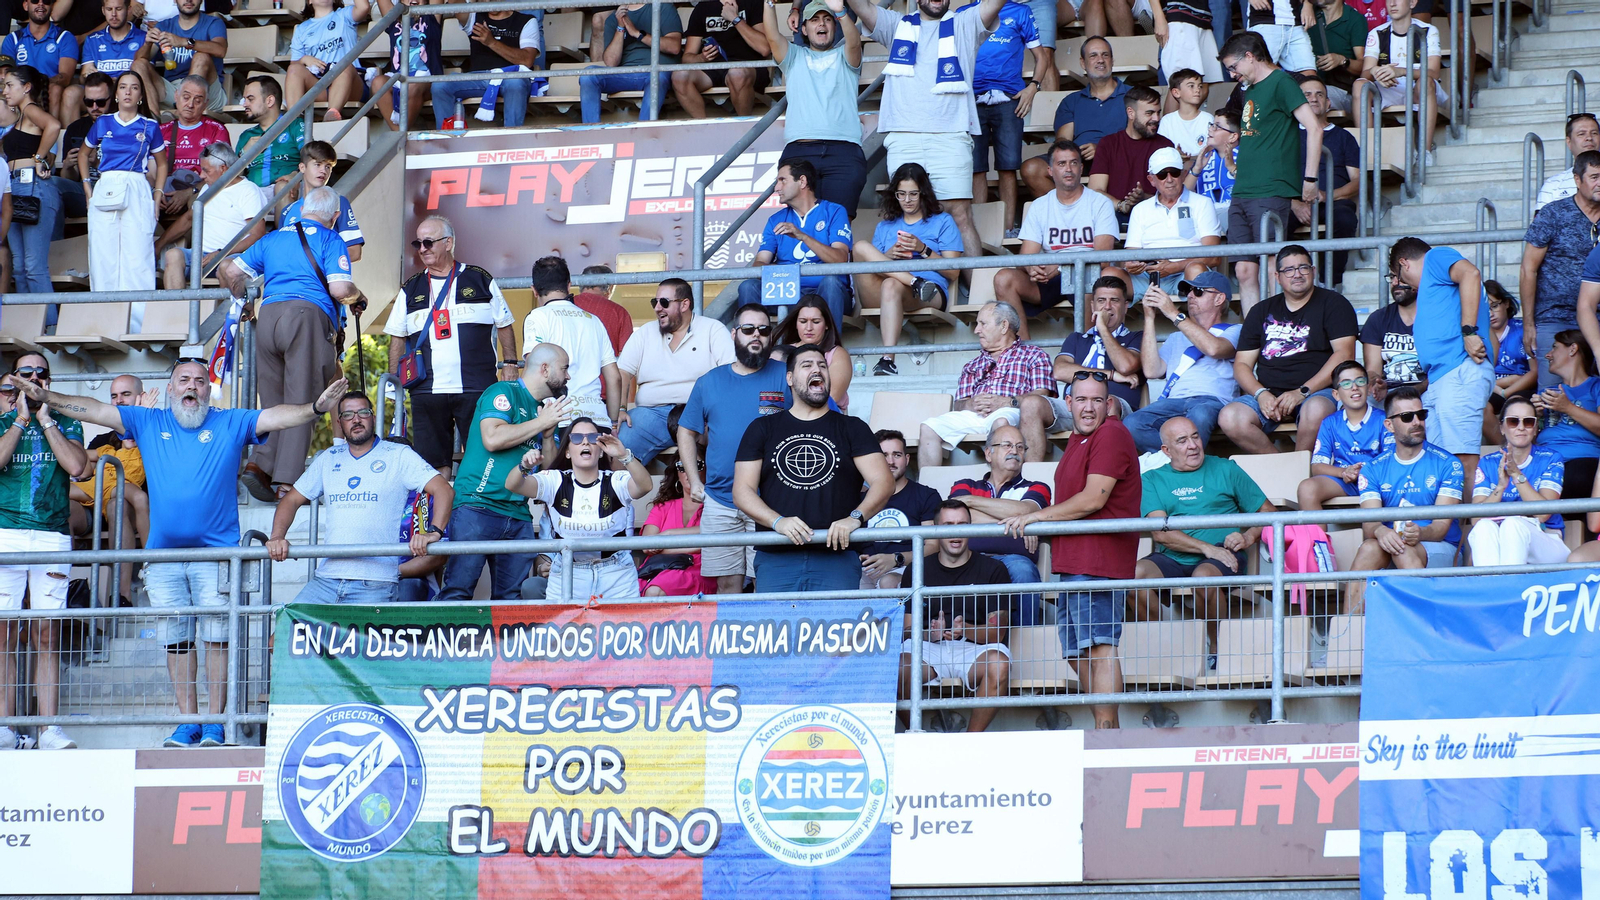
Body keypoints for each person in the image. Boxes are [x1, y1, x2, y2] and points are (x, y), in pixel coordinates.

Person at [19, 361, 347, 748]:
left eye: (200, 381)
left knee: (217, 639)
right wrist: (46, 396)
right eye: (184, 380)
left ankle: (215, 723)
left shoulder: (230, 421)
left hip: (217, 556)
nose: (192, 387)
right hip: (163, 558)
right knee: (176, 641)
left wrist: (315, 408)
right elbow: (94, 409)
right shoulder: (147, 420)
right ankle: (187, 721)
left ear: (209, 389)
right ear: (171, 388)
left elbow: (276, 417)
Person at [999, 372, 1139, 729]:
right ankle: (1108, 730)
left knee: (1101, 649)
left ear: (1109, 404)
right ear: (1068, 404)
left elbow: (1094, 499)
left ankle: (1107, 734)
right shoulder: (1078, 439)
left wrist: (1037, 518)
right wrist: (1044, 528)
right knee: (1078, 653)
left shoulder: (1111, 434)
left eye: (1097, 400)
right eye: (1081, 400)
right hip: (1074, 562)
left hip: (1099, 562)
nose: (1088, 408)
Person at [220, 187, 369, 499]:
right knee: (303, 400)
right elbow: (340, 290)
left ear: (302, 210)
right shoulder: (330, 238)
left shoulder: (272, 239)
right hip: (306, 317)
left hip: (269, 317)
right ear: (336, 215)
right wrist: (358, 296)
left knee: (272, 400)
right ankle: (288, 483)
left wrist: (244, 302)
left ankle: (259, 465)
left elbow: (230, 270)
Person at [847, 0, 1003, 264]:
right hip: (904, 137)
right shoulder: (896, 25)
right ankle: (915, 283)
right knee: (908, 213)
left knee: (960, 213)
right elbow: (862, 7)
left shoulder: (964, 23)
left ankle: (975, 287)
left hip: (950, 135)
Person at [734, 344, 893, 591]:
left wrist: (855, 518)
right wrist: (777, 522)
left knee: (837, 619)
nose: (816, 370)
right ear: (789, 378)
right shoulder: (762, 428)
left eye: (822, 366)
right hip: (777, 558)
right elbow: (742, 490)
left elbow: (884, 482)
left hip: (837, 558)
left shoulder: (852, 427)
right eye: (806, 365)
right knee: (778, 619)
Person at [267, 391, 452, 602]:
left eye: (363, 412)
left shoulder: (398, 454)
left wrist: (434, 532)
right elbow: (290, 499)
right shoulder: (328, 458)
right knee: (285, 624)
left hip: (375, 582)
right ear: (339, 423)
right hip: (326, 580)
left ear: (373, 417)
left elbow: (444, 490)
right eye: (348, 415)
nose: (356, 419)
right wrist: (277, 536)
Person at [439, 343, 577, 602]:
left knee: (511, 601)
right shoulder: (503, 391)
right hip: (477, 505)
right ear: (545, 369)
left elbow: (548, 474)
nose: (568, 376)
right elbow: (492, 438)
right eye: (564, 368)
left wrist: (548, 435)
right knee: (458, 591)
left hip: (518, 514)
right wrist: (540, 422)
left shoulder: (545, 410)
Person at [384, 214, 518, 475]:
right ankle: (440, 503)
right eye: (418, 243)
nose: (422, 249)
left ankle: (475, 501)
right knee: (433, 467)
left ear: (448, 243)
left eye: (429, 242)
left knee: (485, 458)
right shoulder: (411, 288)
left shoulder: (480, 279)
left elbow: (504, 324)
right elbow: (397, 337)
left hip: (476, 387)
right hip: (426, 390)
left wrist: (510, 363)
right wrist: (394, 380)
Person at [1135, 416, 1274, 665]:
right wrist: (1206, 548)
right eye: (1182, 441)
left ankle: (1216, 651)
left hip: (1223, 555)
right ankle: (1159, 648)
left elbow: (1269, 513)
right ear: (1166, 451)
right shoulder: (1152, 479)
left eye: (1195, 436)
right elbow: (1160, 533)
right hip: (1175, 556)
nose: (1192, 445)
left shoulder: (1226, 468)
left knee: (1203, 577)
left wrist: (1247, 536)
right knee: (1135, 575)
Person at [0, 355, 87, 752]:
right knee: (3, 634)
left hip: (52, 535)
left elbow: (77, 467)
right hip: (6, 535)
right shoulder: (3, 421)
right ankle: (5, 726)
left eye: (42, 373)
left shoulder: (66, 421)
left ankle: (49, 728)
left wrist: (46, 417)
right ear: (15, 379)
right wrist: (21, 419)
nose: (35, 378)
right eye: (27, 373)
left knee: (47, 634)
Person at [679, 303, 792, 594]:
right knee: (727, 585)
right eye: (748, 329)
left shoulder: (788, 376)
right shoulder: (710, 381)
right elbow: (686, 431)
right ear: (734, 334)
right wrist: (694, 481)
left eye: (763, 330)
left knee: (767, 584)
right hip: (720, 500)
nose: (756, 335)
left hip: (771, 500)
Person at [1218, 31, 1323, 313]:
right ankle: (1256, 330)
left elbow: (1314, 128)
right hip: (1242, 189)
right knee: (1243, 271)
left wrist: (1310, 179)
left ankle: (1277, 325)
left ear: (1249, 56)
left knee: (1270, 267)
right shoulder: (1249, 88)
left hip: (1270, 188)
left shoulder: (1281, 82)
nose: (1232, 74)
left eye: (1234, 67)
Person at [1219, 245, 1358, 453]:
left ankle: (1300, 467)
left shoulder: (1334, 303)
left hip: (1316, 392)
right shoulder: (1260, 311)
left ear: (1313, 271)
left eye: (1303, 268)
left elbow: (1345, 355)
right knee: (1230, 417)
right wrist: (1261, 394)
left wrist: (1303, 391)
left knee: (1316, 410)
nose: (1297, 274)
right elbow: (1241, 365)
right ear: (1277, 276)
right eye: (1289, 270)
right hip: (1269, 394)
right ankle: (1282, 465)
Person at [506, 418, 654, 602]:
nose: (585, 442)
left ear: (601, 451)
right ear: (567, 452)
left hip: (616, 574)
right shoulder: (554, 481)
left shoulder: (616, 481)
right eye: (577, 438)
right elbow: (513, 485)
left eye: (592, 438)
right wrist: (524, 466)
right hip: (569, 571)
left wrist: (624, 455)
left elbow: (646, 486)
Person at [1344, 386, 1464, 612]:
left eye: (1421, 415)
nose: (1417, 422)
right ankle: (1348, 631)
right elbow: (1370, 524)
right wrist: (1381, 531)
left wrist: (1420, 533)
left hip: (1439, 547)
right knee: (1369, 548)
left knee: (1404, 549)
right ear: (1389, 425)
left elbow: (1440, 528)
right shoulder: (1372, 468)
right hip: (1391, 543)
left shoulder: (1449, 464)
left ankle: (1421, 629)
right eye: (1407, 417)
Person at [899, 500, 1013, 732]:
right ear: (936, 529)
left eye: (962, 525)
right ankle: (917, 738)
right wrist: (931, 634)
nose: (956, 532)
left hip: (974, 649)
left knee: (999, 664)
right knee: (895, 668)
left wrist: (965, 630)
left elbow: (997, 634)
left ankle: (969, 742)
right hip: (928, 648)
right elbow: (907, 631)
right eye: (948, 525)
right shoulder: (917, 568)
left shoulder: (993, 569)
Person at [1390, 236, 1493, 476]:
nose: (1399, 283)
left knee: (1462, 460)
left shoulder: (1434, 258)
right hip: (1441, 378)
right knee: (1441, 465)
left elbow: (1471, 274)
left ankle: (1474, 505)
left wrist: (1469, 332)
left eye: (1397, 276)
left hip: (1457, 370)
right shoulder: (1432, 285)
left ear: (1404, 263)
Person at [995, 139, 1117, 339]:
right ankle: (1022, 351)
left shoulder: (1100, 202)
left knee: (1090, 283)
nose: (1068, 169)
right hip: (1050, 278)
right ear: (1050, 170)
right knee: (1003, 279)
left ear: (1081, 168)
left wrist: (1060, 266)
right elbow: (1026, 255)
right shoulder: (1040, 205)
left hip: (1086, 275)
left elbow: (1102, 258)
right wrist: (1032, 268)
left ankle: (1087, 349)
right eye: (1061, 164)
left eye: (1074, 163)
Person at [854, 163, 963, 375]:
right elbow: (873, 268)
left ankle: (887, 360)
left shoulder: (942, 222)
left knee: (891, 284)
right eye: (901, 194)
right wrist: (889, 255)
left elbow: (953, 272)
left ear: (923, 193)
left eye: (913, 194)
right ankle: (913, 281)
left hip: (929, 291)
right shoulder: (885, 226)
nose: (907, 200)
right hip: (885, 290)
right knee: (860, 247)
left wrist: (923, 249)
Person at [761, 0, 867, 217]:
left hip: (843, 151)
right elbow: (772, 37)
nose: (822, 24)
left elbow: (855, 42)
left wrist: (841, 12)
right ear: (804, 29)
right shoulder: (794, 56)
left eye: (827, 19)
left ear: (835, 27)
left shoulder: (846, 55)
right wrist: (769, 3)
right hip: (800, 150)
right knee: (800, 222)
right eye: (814, 20)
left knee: (839, 222)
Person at [918, 301, 1053, 468]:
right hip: (976, 414)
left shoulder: (1034, 355)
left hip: (1011, 410)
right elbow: (959, 405)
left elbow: (1042, 395)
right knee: (928, 427)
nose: (976, 330)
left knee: (1001, 423)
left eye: (983, 324)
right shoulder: (972, 365)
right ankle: (928, 483)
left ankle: (1001, 481)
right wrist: (970, 403)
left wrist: (1006, 401)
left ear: (1004, 326)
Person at [616, 276, 735, 463]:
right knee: (620, 446)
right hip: (651, 414)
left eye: (664, 302)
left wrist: (716, 410)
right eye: (655, 302)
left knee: (728, 440)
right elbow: (622, 373)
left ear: (684, 304)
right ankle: (621, 483)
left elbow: (730, 373)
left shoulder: (713, 329)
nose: (657, 308)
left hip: (699, 413)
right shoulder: (645, 332)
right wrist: (621, 409)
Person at [1123, 270, 1240, 453]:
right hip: (1174, 401)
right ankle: (1181, 459)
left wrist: (1172, 313)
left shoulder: (1235, 330)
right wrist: (1149, 318)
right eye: (1188, 291)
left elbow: (1214, 349)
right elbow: (1152, 371)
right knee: (1132, 423)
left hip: (1212, 400)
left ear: (1219, 299)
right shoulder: (1175, 337)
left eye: (1199, 292)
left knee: (1199, 415)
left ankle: (1180, 461)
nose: (1191, 296)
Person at [949, 423, 1052, 625]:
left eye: (1020, 447)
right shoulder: (965, 485)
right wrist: (1019, 523)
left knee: (1023, 570)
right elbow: (955, 517)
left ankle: (1025, 641)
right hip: (969, 559)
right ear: (989, 453)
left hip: (1013, 560)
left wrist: (970, 503)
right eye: (1007, 445)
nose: (1015, 451)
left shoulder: (1037, 488)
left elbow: (1025, 510)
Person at [734, 158, 853, 326]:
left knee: (831, 283)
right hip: (787, 292)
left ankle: (830, 343)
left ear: (802, 181)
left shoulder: (834, 211)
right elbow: (759, 264)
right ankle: (752, 341)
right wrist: (784, 270)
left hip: (825, 294)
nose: (777, 188)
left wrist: (802, 236)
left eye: (782, 180)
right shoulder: (775, 220)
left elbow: (840, 259)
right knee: (748, 286)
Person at [70, 373, 149, 605]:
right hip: (93, 506)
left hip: (131, 510)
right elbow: (81, 465)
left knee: (118, 504)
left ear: (141, 397)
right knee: (58, 503)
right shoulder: (104, 442)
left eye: (126, 394)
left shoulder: (155, 435)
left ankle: (122, 595)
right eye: (114, 396)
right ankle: (63, 587)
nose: (119, 400)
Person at [1523, 150, 1600, 389]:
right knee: (1551, 395)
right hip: (1555, 319)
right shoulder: (1553, 213)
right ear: (1577, 180)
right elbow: (1528, 269)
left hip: (1598, 320)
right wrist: (1528, 323)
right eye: (1594, 177)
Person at [83, 71, 166, 292]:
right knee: (103, 253)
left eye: (134, 87)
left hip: (137, 185)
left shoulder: (150, 125)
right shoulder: (103, 122)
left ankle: (137, 313)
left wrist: (157, 195)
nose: (128, 92)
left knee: (138, 253)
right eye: (122, 87)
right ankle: (106, 311)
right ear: (116, 94)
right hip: (106, 185)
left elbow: (162, 164)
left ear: (141, 96)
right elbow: (83, 154)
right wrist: (87, 188)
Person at [968, 0, 1045, 236]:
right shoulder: (964, 13)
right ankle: (979, 233)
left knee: (1008, 167)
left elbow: (1041, 57)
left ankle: (1008, 229)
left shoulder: (1020, 11)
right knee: (976, 169)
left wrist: (1033, 87)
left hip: (1010, 99)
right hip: (972, 99)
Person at [1036, 276, 1143, 444]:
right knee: (1032, 404)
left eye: (1114, 300)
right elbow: (1060, 371)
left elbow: (1126, 366)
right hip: (1074, 406)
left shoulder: (1136, 337)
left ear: (1126, 306)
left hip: (1115, 406)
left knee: (1108, 403)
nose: (1107, 306)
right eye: (1101, 300)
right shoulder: (1076, 338)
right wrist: (1111, 375)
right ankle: (1030, 464)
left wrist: (1102, 328)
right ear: (1093, 306)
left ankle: (1102, 459)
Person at [1021, 37, 1129, 198]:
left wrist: (1103, 150)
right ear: (1083, 63)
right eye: (1093, 55)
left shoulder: (1132, 96)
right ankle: (1074, 207)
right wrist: (1075, 153)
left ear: (1112, 61)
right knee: (1031, 168)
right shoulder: (1072, 101)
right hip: (1081, 160)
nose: (1100, 60)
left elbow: (1140, 139)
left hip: (1120, 160)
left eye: (1105, 55)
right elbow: (1063, 140)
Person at [522, 254, 622, 427]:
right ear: (569, 286)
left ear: (534, 290)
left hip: (556, 419)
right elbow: (614, 377)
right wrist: (612, 422)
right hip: (596, 419)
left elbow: (533, 370)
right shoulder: (594, 321)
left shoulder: (537, 317)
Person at [1467, 395, 1568, 567]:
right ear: (1502, 428)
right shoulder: (1488, 462)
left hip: (1546, 539)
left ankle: (1507, 583)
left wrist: (1516, 475)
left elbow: (1543, 515)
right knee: (1483, 527)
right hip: (1498, 539)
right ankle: (1491, 583)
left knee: (1513, 524)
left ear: (1535, 428)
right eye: (1513, 421)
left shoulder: (1551, 458)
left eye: (1528, 422)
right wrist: (1500, 486)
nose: (1521, 427)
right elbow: (1476, 519)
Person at [158, 141, 264, 290]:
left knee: (226, 266)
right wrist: (158, 245)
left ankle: (228, 306)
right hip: (202, 256)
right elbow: (188, 219)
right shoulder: (208, 188)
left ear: (223, 169)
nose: (201, 176)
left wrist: (221, 253)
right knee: (173, 255)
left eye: (206, 170)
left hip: (234, 256)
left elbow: (257, 234)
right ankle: (179, 304)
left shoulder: (248, 191)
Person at [1123, 146, 1222, 296]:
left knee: (1196, 270)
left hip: (1186, 273)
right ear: (1152, 180)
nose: (1169, 179)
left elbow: (1213, 257)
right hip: (1147, 275)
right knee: (1110, 276)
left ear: (1183, 174)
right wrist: (1132, 264)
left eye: (1174, 173)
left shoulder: (1202, 203)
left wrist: (1174, 267)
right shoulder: (1140, 209)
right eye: (1162, 175)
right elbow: (1131, 255)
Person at [1355, 0, 1443, 165]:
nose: (1392, 4)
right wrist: (1375, 72)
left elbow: (1433, 72)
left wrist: (1401, 71)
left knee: (1426, 82)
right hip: (1388, 89)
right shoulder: (1377, 32)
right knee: (1359, 85)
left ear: (1412, 3)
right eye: (1389, 0)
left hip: (1418, 90)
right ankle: (1367, 153)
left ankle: (1425, 151)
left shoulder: (1428, 30)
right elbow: (1365, 73)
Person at [1293, 74, 1360, 286]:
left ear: (1328, 103)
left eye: (1319, 95)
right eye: (1307, 95)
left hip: (1333, 202)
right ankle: (1292, 277)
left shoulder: (1344, 137)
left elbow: (1358, 182)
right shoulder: (1287, 136)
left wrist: (1326, 195)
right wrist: (1294, 204)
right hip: (1296, 203)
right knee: (1272, 222)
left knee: (1345, 219)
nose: (1314, 98)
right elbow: (1274, 178)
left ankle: (1329, 282)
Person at [1298, 359, 1391, 509]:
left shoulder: (1384, 420)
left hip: (1378, 480)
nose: (1354, 387)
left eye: (1360, 381)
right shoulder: (1330, 423)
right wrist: (1344, 472)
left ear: (1368, 388)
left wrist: (1364, 471)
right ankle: (1321, 528)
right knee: (1307, 488)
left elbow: (1392, 460)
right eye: (1346, 384)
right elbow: (1317, 466)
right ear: (1336, 394)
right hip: (1344, 481)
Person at [3, 66, 62, 299]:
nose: (5, 91)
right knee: (19, 267)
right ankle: (28, 319)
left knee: (33, 266)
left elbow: (54, 125)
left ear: (26, 87)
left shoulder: (30, 108)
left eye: (10, 85)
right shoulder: (20, 115)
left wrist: (39, 158)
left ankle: (47, 320)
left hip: (33, 186)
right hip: (15, 187)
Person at [857, 429, 941, 589]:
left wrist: (896, 559)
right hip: (867, 570)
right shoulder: (861, 499)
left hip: (907, 568)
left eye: (897, 455)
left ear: (907, 459)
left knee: (888, 582)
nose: (890, 461)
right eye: (884, 455)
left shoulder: (926, 495)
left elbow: (933, 546)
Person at [435, 4, 539, 128]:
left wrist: (491, 42)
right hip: (478, 77)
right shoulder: (474, 16)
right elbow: (455, 3)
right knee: (439, 85)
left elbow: (527, 60)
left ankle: (512, 136)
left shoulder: (526, 21)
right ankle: (446, 136)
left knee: (516, 83)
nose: (488, 1)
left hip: (510, 77)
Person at [1087, 86, 1175, 226]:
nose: (1156, 118)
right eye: (1149, 113)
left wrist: (1144, 198)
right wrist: (1122, 205)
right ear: (1131, 113)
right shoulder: (1108, 144)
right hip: (1114, 217)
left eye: (1158, 112)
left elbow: (1173, 196)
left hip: (1156, 217)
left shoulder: (1165, 145)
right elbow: (1095, 191)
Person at [581, 2, 680, 123]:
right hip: (627, 73)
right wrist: (620, 28)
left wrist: (638, 34)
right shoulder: (613, 18)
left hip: (656, 70)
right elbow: (611, 62)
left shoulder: (663, 7)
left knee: (657, 76)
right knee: (588, 75)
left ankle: (644, 130)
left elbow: (674, 47)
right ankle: (591, 130)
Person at [1532, 329, 1600, 500]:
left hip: (1583, 458)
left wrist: (1568, 407)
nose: (1548, 355)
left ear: (1573, 349)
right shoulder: (1547, 393)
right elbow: (1526, 438)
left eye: (1554, 347)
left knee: (1577, 478)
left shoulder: (1596, 386)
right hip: (1544, 459)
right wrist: (1535, 417)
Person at [673, 0, 770, 118]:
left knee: (737, 73)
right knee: (679, 76)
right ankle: (704, 125)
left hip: (748, 66)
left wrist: (735, 19)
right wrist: (701, 58)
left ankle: (744, 126)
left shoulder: (752, 3)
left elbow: (765, 48)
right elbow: (687, 57)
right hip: (712, 68)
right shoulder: (703, 6)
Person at [636, 456, 716, 596]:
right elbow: (647, 546)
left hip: (700, 569)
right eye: (682, 467)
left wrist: (668, 535)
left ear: (708, 469)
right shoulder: (663, 507)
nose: (689, 472)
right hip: (659, 567)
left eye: (697, 465)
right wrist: (699, 545)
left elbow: (716, 535)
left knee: (656, 589)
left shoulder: (716, 507)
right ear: (677, 473)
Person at [286, 0, 371, 120]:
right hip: (321, 85)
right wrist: (304, 59)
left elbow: (364, 7)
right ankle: (294, 122)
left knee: (343, 65)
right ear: (309, 1)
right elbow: (294, 66)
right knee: (294, 70)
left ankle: (332, 116)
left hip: (350, 84)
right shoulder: (301, 29)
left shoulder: (344, 15)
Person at [155, 75, 226, 217]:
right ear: (176, 96)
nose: (190, 104)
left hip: (200, 191)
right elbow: (150, 170)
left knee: (197, 205)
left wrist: (190, 192)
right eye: (186, 97)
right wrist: (157, 192)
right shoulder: (161, 131)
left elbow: (222, 173)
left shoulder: (216, 130)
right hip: (164, 190)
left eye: (198, 101)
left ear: (205, 104)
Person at [280, 140, 363, 261]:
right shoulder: (287, 211)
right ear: (302, 167)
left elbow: (354, 252)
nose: (323, 171)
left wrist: (312, 262)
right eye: (317, 164)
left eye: (328, 167)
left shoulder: (338, 202)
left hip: (321, 273)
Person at [137, 0, 227, 112]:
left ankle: (184, 112)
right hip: (174, 91)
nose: (188, 0)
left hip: (207, 91)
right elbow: (139, 62)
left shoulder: (213, 23)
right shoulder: (164, 26)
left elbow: (221, 50)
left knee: (201, 57)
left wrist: (184, 42)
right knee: (139, 65)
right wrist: (147, 44)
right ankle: (154, 117)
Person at [232, 75, 304, 213]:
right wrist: (244, 153)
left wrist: (295, 175)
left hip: (287, 188)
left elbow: (310, 157)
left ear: (269, 101)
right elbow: (233, 177)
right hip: (252, 194)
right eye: (244, 99)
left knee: (282, 187)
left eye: (250, 99)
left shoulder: (294, 125)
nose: (244, 104)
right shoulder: (246, 135)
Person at [773, 293, 852, 411]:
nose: (809, 328)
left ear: (826, 324)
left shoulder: (837, 354)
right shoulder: (782, 352)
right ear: (796, 324)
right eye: (803, 321)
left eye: (816, 322)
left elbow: (831, 398)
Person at [374, 0, 443, 131]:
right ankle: (398, 133)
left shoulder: (431, 15)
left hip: (427, 80)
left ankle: (400, 134)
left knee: (412, 85)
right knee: (378, 83)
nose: (413, 0)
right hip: (400, 77)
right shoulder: (394, 18)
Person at [1, 0, 78, 117]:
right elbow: (6, 74)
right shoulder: (12, 39)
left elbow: (65, 77)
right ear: (26, 5)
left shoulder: (65, 37)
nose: (40, 4)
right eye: (35, 1)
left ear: (52, 6)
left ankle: (51, 127)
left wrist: (40, 83)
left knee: (55, 89)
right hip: (21, 91)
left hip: (49, 91)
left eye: (46, 1)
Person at [1361, 264, 1423, 402]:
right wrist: (1375, 382)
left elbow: (1441, 372)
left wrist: (1411, 392)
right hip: (1388, 391)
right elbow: (1372, 370)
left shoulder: (1436, 318)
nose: (1395, 282)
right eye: (1392, 277)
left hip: (1427, 391)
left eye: (1401, 277)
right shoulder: (1378, 319)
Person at [1484, 280, 1535, 443]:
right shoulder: (1477, 337)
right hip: (1491, 388)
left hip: (1522, 387)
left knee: (1515, 406)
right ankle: (1503, 448)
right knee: (1480, 406)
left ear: (1506, 303)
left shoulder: (1522, 330)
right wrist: (1500, 386)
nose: (1490, 314)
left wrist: (1506, 392)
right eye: (1484, 309)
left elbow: (1535, 372)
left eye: (1494, 306)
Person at [58, 70, 112, 221]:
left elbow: (128, 174)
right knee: (50, 185)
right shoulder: (75, 128)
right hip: (82, 191)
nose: (94, 107)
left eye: (100, 102)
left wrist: (97, 163)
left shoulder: (122, 126)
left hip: (115, 189)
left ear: (112, 98)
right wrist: (68, 166)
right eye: (89, 102)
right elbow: (69, 178)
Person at [81, 0, 153, 111]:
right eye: (109, 9)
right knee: (72, 93)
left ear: (128, 9)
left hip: (131, 94)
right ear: (103, 11)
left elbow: (147, 74)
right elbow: (83, 76)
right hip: (101, 95)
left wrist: (117, 83)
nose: (113, 14)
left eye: (118, 9)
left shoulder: (144, 37)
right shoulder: (92, 39)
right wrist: (88, 75)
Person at [1307, 0, 1367, 112]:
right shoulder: (1308, 12)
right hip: (1308, 85)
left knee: (1312, 100)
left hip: (1341, 90)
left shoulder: (1354, 19)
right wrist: (1307, 4)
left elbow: (1364, 65)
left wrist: (1341, 60)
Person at [1534, 113, 1599, 213]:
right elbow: (1541, 222)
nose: (1589, 138)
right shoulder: (1553, 186)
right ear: (1569, 142)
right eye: (1581, 134)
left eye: (1594, 133)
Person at [1184, 107, 1238, 223]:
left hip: (1237, 217)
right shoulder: (1205, 157)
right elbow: (1183, 195)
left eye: (1217, 126)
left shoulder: (1245, 155)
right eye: (1211, 125)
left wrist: (1231, 167)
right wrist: (1197, 169)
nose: (1210, 129)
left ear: (1233, 136)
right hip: (1205, 218)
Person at [572, 264, 633, 356]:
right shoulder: (619, 312)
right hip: (605, 365)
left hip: (567, 365)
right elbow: (626, 355)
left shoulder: (564, 306)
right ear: (610, 287)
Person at [1244, 0, 1316, 76]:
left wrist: (1308, 3)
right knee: (1259, 72)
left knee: (1308, 74)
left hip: (1295, 23)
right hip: (1264, 21)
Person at [1157, 69, 1215, 160]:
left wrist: (1191, 159)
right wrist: (1177, 155)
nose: (1197, 90)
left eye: (1200, 86)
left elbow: (1212, 149)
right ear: (1176, 92)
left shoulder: (1208, 119)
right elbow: (1162, 150)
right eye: (1191, 86)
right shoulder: (1167, 121)